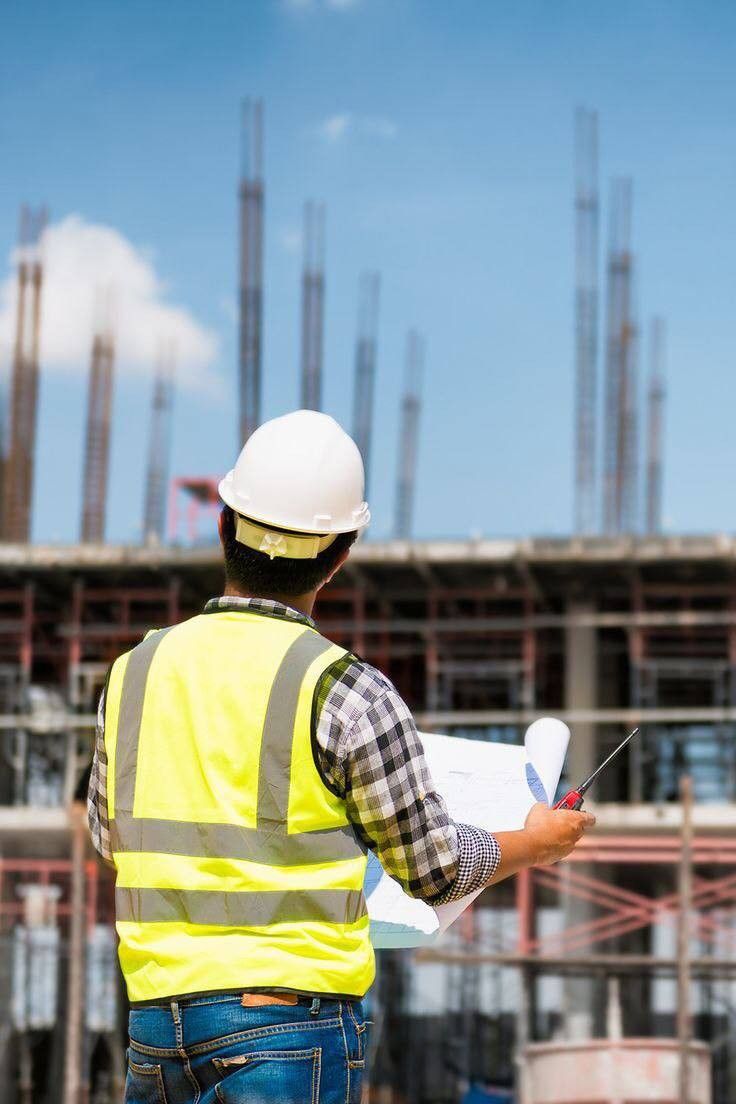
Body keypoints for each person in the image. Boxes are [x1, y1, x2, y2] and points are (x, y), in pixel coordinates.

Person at [87, 409, 594, 1104]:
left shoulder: (133, 673)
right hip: (289, 1032)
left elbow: (108, 839)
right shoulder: (345, 690)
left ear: (223, 523)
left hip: (156, 1025)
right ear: (342, 552)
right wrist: (535, 842)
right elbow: (434, 869)